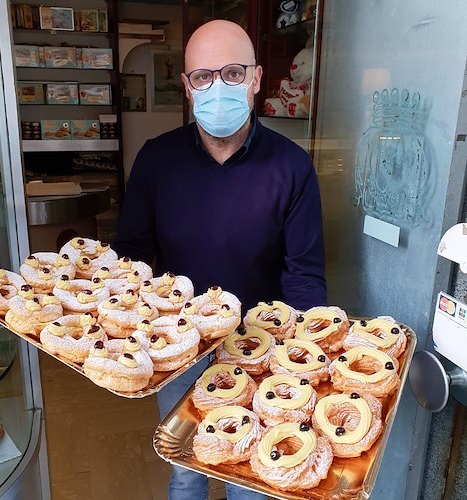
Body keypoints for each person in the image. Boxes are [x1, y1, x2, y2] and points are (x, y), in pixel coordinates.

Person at [114, 19, 326, 500]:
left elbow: (305, 276)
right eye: (203, 77)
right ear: (187, 88)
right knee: (187, 468)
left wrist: (302, 361)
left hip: (260, 349)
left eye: (232, 74)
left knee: (252, 478)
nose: (217, 87)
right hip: (179, 347)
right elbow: (130, 258)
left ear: (255, 80)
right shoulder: (156, 160)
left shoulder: (291, 167)